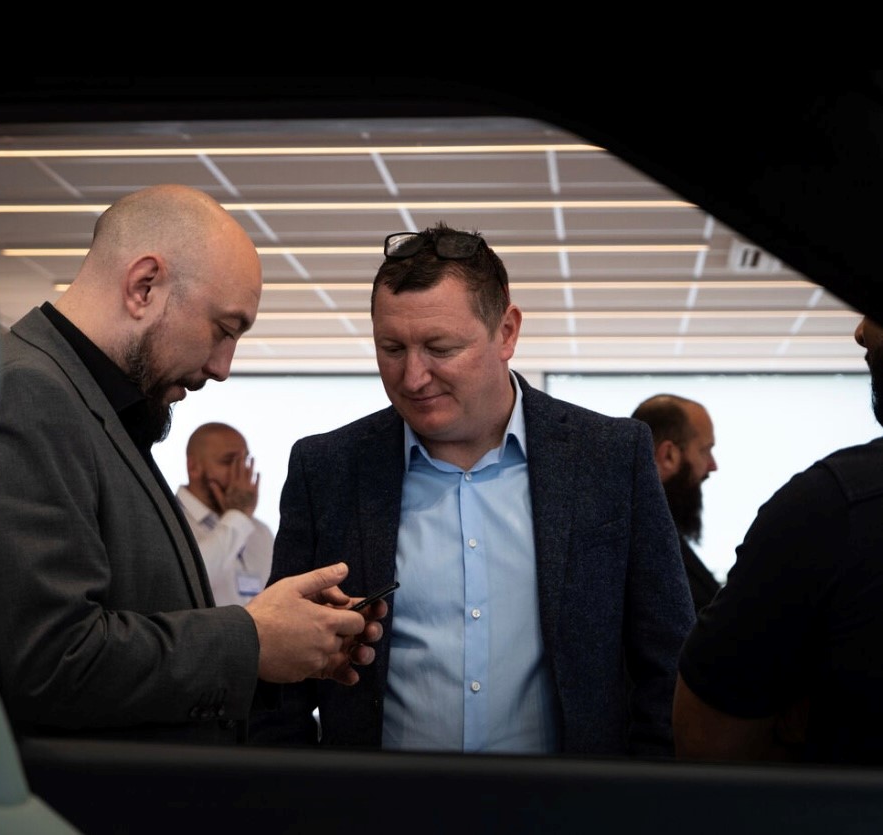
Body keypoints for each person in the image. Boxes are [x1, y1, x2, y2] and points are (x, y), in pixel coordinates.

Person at [0, 183, 384, 746]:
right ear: (144, 286)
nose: (223, 367)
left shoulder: (100, 407)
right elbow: (50, 659)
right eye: (223, 329)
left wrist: (283, 636)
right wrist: (251, 641)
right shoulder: (28, 393)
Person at [251, 223, 695, 757]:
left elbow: (667, 658)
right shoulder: (327, 469)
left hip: (572, 797)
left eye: (440, 348)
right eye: (392, 348)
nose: (413, 377)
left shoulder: (609, 457)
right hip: (375, 797)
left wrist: (645, 790)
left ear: (506, 332)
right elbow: (281, 680)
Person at [673, 315, 883, 766]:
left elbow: (707, 740)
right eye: (706, 451)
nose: (860, 332)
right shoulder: (829, 507)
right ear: (669, 455)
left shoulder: (832, 506)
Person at [630, 394, 721, 614]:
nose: (712, 465)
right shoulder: (641, 545)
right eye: (705, 450)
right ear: (668, 455)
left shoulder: (647, 530)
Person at [177, 422, 275, 606]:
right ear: (193, 467)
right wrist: (238, 515)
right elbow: (186, 581)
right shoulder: (169, 520)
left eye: (245, 461)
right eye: (228, 461)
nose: (242, 472)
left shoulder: (260, 532)